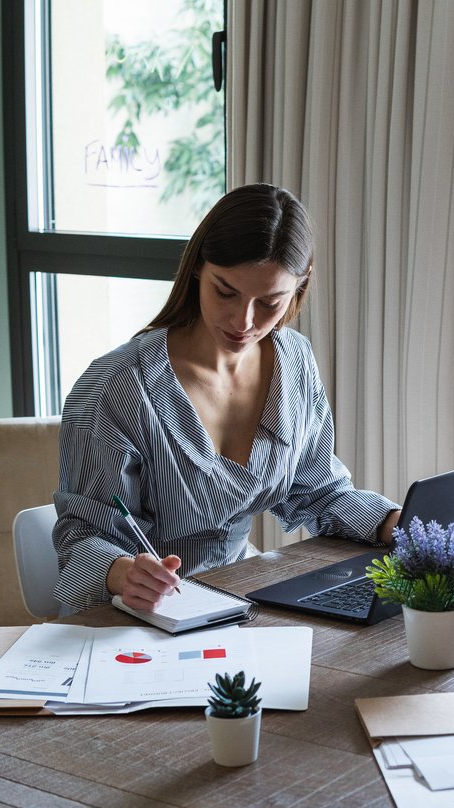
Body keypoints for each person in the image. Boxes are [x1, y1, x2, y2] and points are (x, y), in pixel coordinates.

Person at [53, 183, 400, 613]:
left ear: (298, 288)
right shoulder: (118, 387)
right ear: (198, 267)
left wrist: (395, 523)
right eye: (226, 292)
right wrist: (121, 571)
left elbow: (321, 493)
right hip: (133, 618)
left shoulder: (293, 362)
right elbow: (79, 541)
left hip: (237, 599)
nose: (244, 321)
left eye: (270, 302)